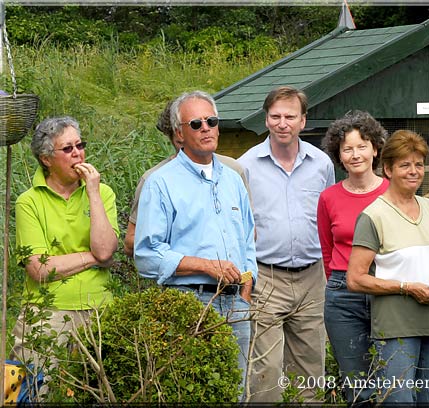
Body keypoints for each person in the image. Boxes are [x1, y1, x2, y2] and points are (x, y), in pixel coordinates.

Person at [133, 90, 257, 397]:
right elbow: (146, 255)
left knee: (236, 394)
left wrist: (247, 284)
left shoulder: (233, 179)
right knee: (191, 393)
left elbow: (248, 241)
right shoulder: (160, 183)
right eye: (196, 123)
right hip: (189, 302)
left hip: (236, 304)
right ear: (179, 133)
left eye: (211, 121)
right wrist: (205, 266)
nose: (206, 128)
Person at [238, 86, 335, 402]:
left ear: (303, 121)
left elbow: (329, 217)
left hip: (311, 277)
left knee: (311, 372)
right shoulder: (246, 166)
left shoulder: (321, 164)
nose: (283, 123)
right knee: (265, 374)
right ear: (265, 120)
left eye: (290, 116)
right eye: (275, 116)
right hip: (265, 276)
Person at [346, 129, 429, 404]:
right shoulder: (373, 215)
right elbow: (355, 279)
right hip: (395, 329)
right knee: (398, 401)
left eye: (418, 164)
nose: (414, 171)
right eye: (405, 165)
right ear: (388, 169)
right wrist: (406, 287)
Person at [11, 116, 119, 388]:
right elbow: (40, 269)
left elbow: (106, 249)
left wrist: (92, 192)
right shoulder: (29, 201)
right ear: (47, 159)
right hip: (47, 314)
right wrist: (93, 258)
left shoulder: (103, 193)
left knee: (96, 392)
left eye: (80, 146)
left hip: (98, 309)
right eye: (68, 149)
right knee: (36, 391)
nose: (78, 154)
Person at [317, 111, 388, 404]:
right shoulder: (329, 198)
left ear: (374, 149)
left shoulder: (392, 191)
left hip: (387, 290)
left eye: (362, 146)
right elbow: (327, 250)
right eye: (348, 148)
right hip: (343, 294)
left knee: (394, 375)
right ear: (339, 155)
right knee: (357, 384)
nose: (355, 154)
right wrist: (340, 283)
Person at [123, 99, 249, 257]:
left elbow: (250, 232)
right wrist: (182, 249)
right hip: (184, 278)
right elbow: (131, 242)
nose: (185, 148)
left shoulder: (234, 171)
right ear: (177, 135)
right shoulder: (154, 180)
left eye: (211, 122)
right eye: (179, 143)